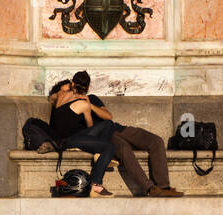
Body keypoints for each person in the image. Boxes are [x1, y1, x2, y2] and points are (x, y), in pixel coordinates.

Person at [69, 71, 182, 199]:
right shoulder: (70, 105)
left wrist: (89, 104)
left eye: (84, 86)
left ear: (88, 87)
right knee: (124, 150)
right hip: (104, 138)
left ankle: (164, 187)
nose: (81, 89)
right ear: (73, 84)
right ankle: (150, 189)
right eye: (79, 85)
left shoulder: (92, 98)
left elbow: (108, 116)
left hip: (118, 129)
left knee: (156, 141)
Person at [47, 79, 121, 197]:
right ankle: (96, 185)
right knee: (109, 147)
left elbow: (106, 118)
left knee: (108, 124)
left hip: (76, 137)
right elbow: (90, 125)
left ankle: (99, 154)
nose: (72, 91)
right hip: (70, 140)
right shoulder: (68, 100)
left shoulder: (61, 100)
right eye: (69, 89)